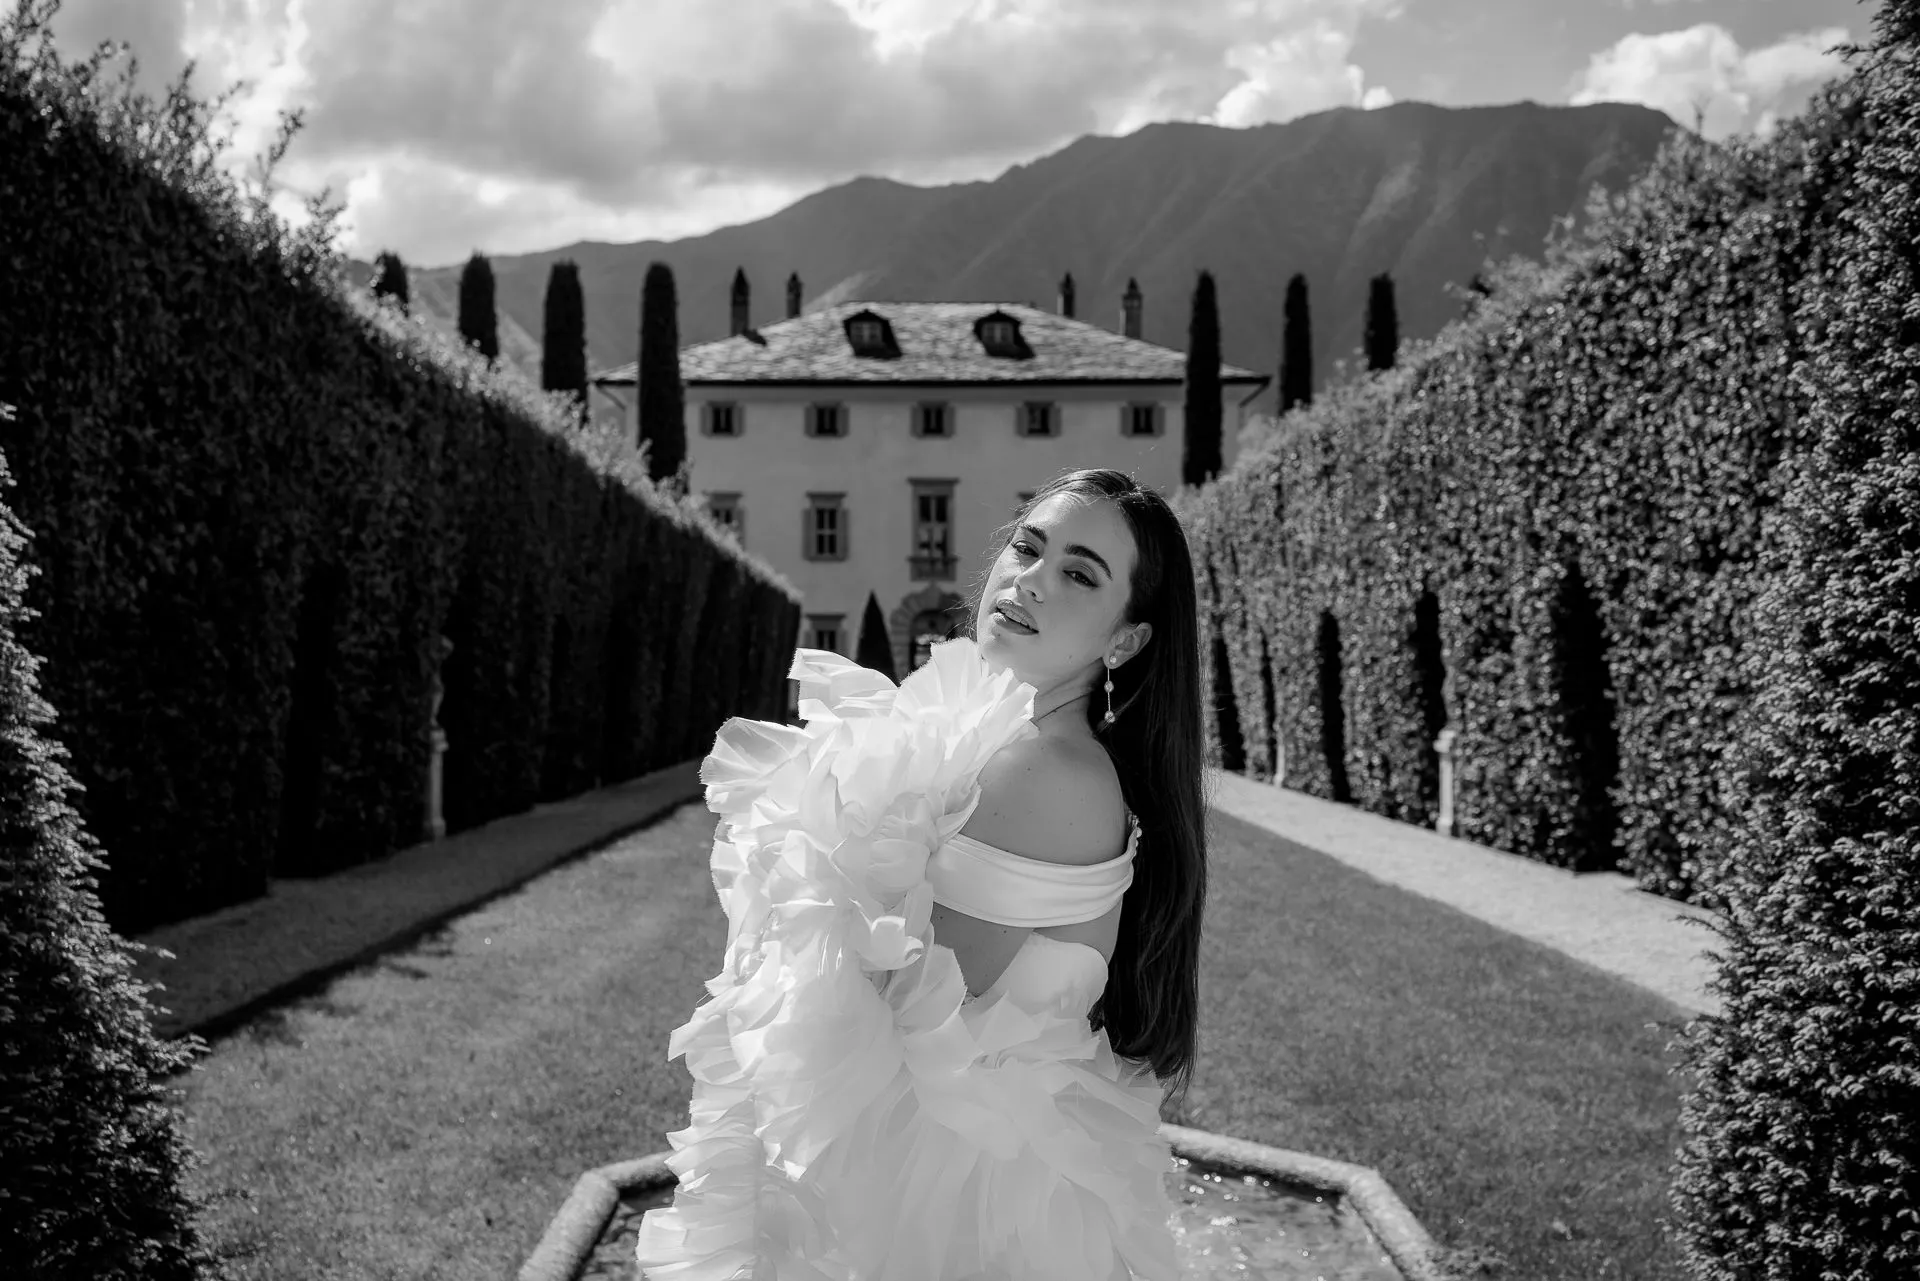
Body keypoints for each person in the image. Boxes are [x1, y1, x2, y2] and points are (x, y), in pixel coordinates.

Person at [634, 468, 1208, 1279]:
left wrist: (804, 854)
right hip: (928, 1158)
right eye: (1028, 546)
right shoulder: (998, 737)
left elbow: (908, 987)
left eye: (1079, 573)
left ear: (1126, 640)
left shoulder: (1055, 772)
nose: (1031, 579)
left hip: (957, 1199)